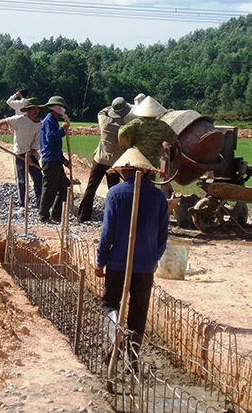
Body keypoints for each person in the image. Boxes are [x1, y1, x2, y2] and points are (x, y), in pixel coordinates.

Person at [95, 147, 168, 365]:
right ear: (144, 171)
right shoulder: (158, 197)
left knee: (109, 304)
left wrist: (101, 260)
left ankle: (115, 333)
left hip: (118, 262)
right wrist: (155, 257)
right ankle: (132, 355)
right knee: (138, 311)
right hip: (145, 265)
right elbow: (163, 235)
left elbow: (107, 232)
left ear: (122, 171)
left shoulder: (115, 194)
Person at [77, 97, 135, 223]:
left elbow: (101, 112)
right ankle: (114, 216)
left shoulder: (105, 121)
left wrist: (111, 107)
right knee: (113, 190)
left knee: (91, 188)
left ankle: (83, 216)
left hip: (100, 160)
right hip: (114, 163)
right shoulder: (125, 127)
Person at [0, 98, 44, 208]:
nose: (36, 111)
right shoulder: (19, 120)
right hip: (19, 153)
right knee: (22, 180)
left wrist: (30, 154)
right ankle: (23, 204)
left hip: (32, 154)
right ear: (27, 110)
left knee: (38, 178)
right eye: (33, 109)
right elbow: (2, 122)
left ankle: (40, 204)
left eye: (37, 109)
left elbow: (37, 143)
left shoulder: (39, 125)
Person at [118, 96, 178, 170]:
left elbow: (122, 132)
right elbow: (174, 139)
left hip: (136, 159)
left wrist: (128, 147)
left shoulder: (136, 123)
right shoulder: (163, 126)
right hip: (151, 163)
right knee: (149, 180)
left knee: (136, 179)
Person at [38, 95, 71, 223]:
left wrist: (63, 160)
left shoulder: (53, 121)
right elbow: (51, 138)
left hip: (55, 159)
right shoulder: (49, 120)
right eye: (62, 107)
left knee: (64, 185)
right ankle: (43, 215)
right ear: (57, 108)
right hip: (50, 161)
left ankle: (56, 214)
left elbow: (55, 146)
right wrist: (62, 129)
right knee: (49, 188)